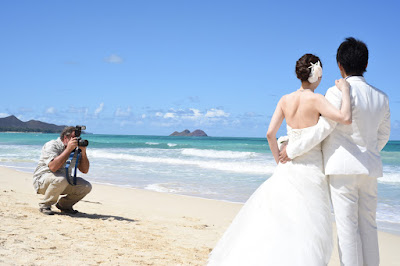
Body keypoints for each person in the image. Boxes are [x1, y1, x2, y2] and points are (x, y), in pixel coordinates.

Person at [208, 54, 352, 265]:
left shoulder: (285, 100)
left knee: (279, 222)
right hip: (311, 170)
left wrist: (279, 160)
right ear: (317, 75)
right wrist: (346, 91)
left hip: (287, 169)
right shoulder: (317, 99)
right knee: (307, 227)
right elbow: (345, 118)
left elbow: (270, 133)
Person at [281, 37, 391, 266]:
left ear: (340, 65)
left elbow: (322, 130)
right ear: (366, 64)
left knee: (347, 229)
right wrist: (367, 151)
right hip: (370, 168)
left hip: (342, 170)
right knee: (369, 226)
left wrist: (291, 148)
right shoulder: (382, 97)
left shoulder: (335, 92)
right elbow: (383, 136)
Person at [33, 126, 92, 215]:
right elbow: (53, 167)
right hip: (42, 182)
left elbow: (84, 170)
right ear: (65, 137)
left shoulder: (76, 150)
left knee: (86, 186)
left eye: (78, 138)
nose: (76, 140)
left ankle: (64, 205)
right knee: (61, 179)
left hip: (63, 182)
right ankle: (45, 205)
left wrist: (83, 152)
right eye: (74, 138)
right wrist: (68, 150)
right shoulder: (52, 145)